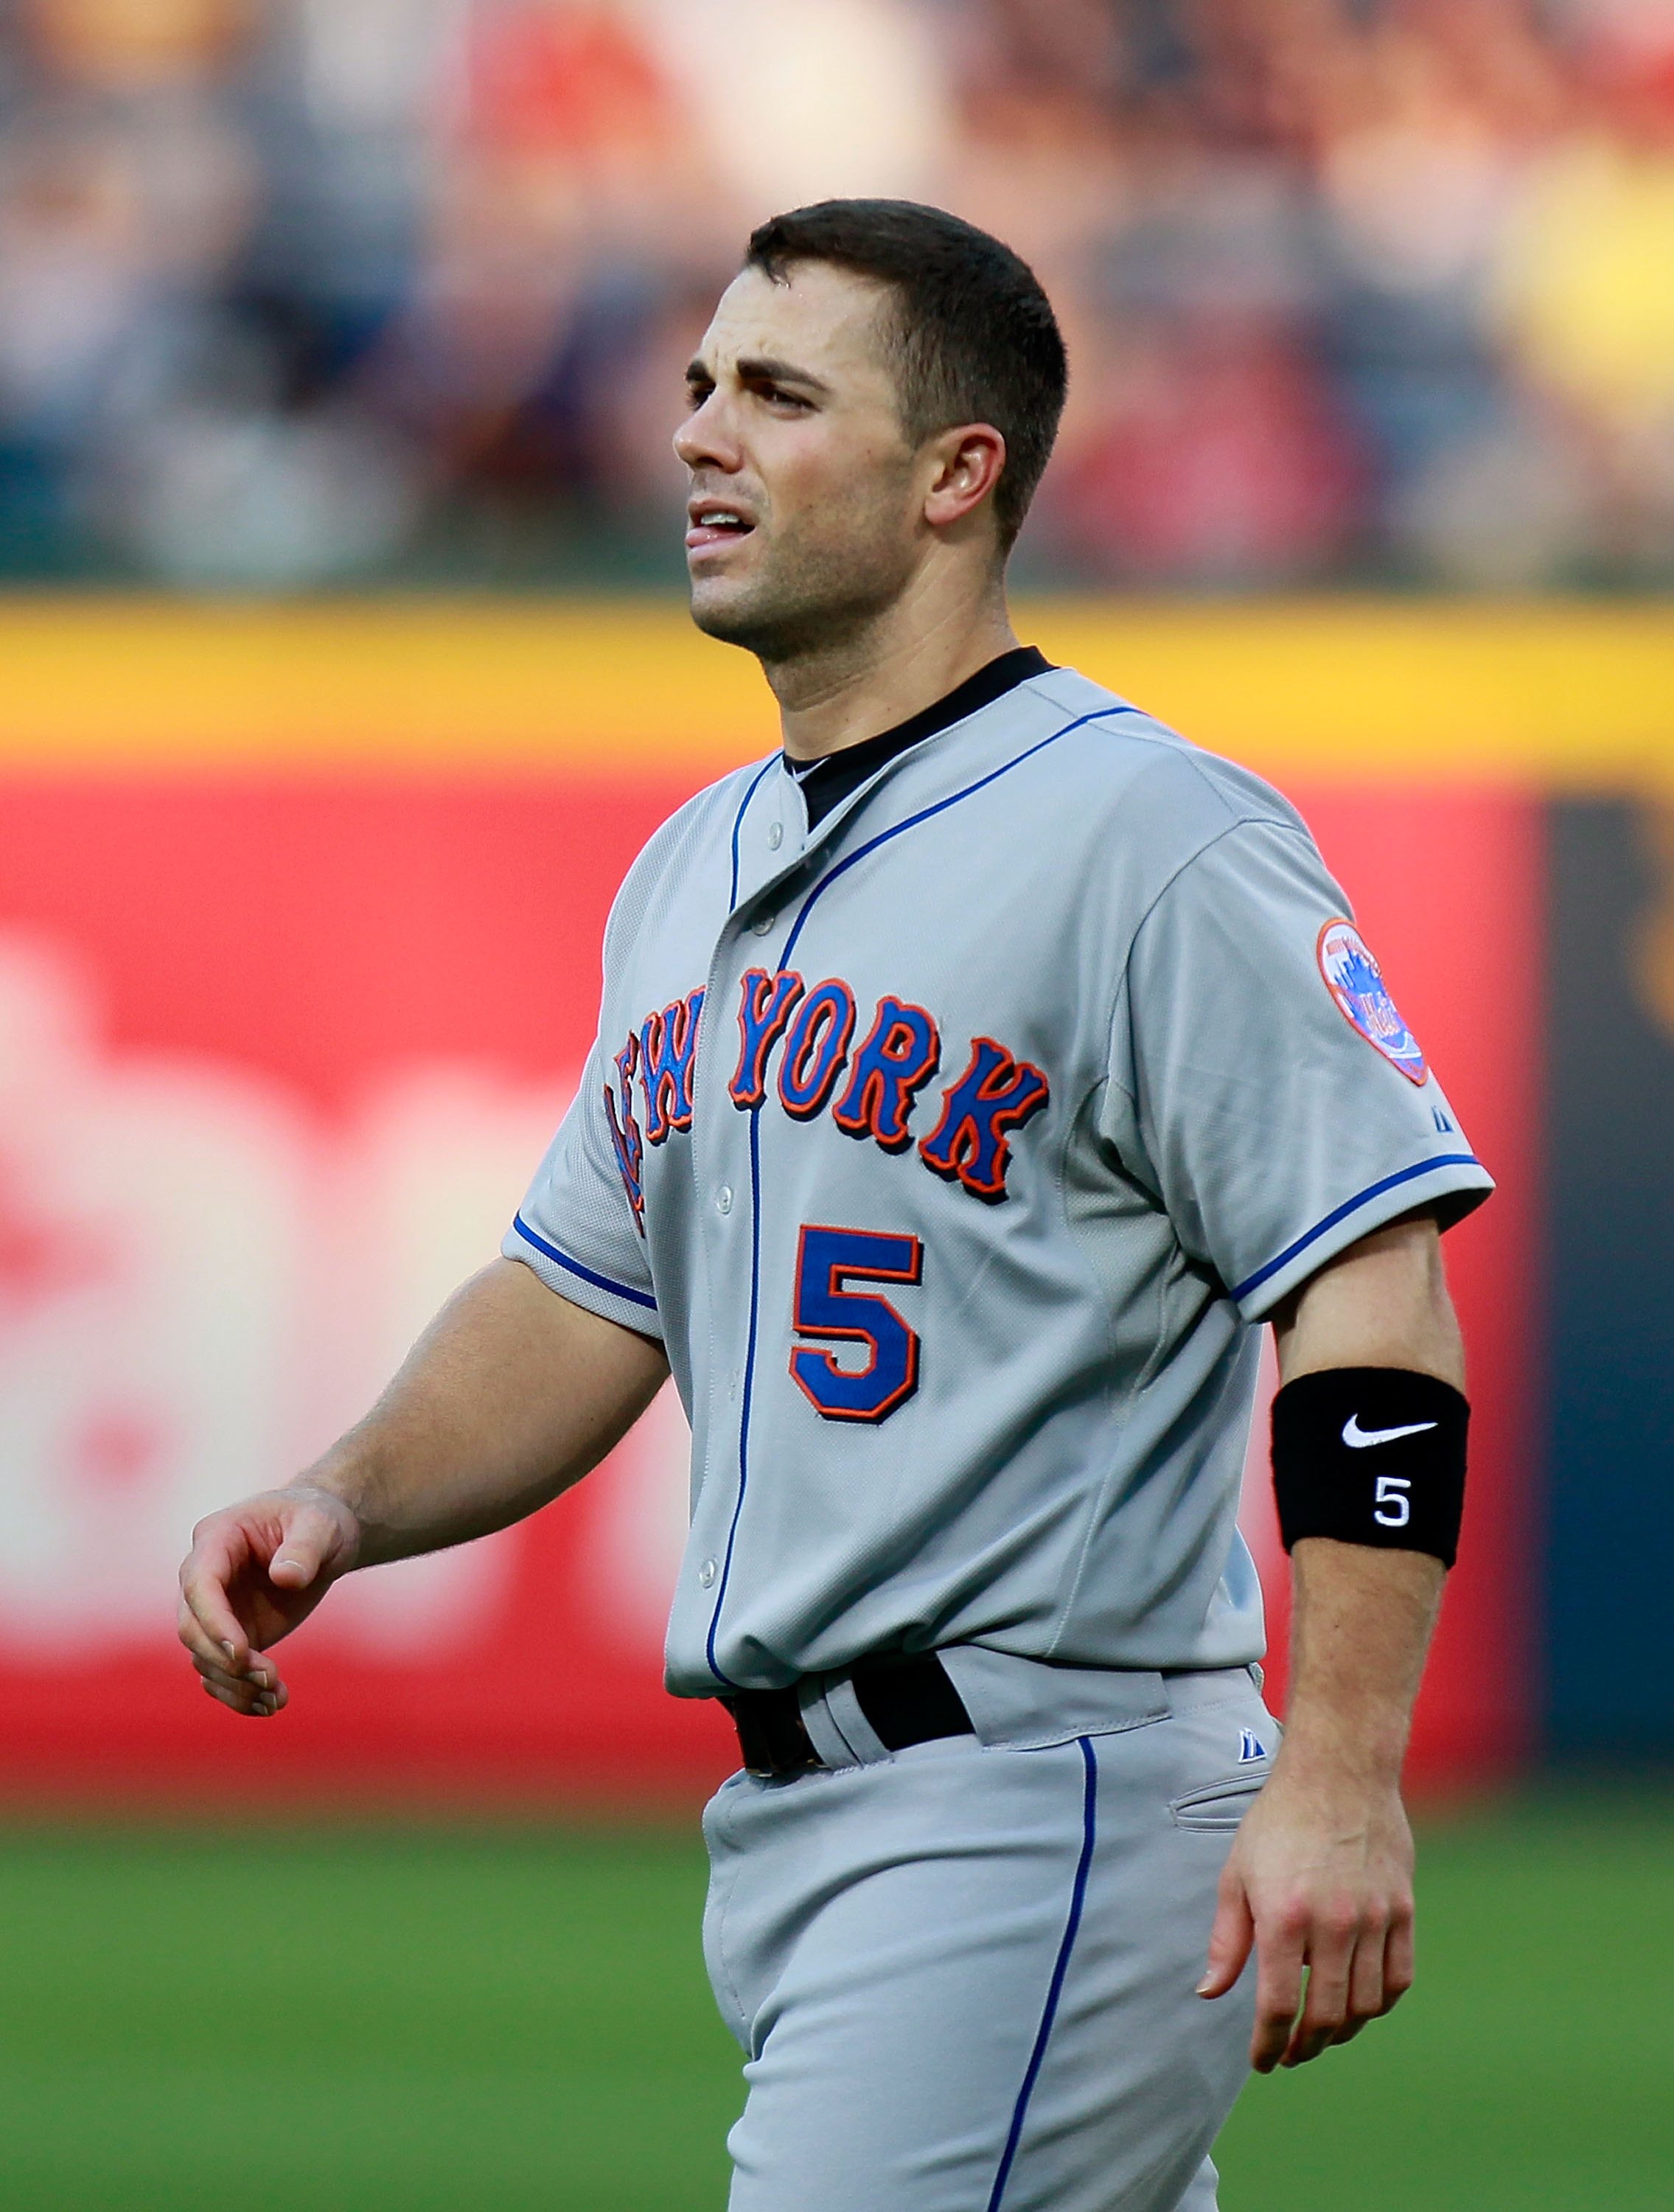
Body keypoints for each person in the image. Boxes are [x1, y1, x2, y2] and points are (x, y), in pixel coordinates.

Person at [178, 200, 1491, 2211]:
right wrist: (352, 1495)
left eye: (780, 396)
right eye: (702, 383)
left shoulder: (1150, 833)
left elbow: (1378, 1300)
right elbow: (580, 1291)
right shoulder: (694, 864)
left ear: (960, 474)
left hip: (1045, 1789)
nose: (701, 432)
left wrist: (1342, 1780)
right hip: (815, 1831)